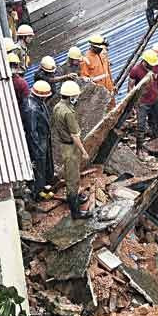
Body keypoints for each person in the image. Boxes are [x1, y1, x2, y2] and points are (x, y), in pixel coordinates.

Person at [51, 80, 92, 219]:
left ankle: (75, 200)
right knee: (72, 180)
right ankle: (76, 212)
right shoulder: (68, 112)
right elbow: (74, 135)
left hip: (64, 144)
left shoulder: (58, 106)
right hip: (70, 147)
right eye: (75, 96)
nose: (77, 98)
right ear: (70, 97)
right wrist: (84, 151)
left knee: (72, 176)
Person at [128, 49, 158, 156]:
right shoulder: (135, 70)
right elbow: (130, 86)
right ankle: (139, 149)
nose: (152, 66)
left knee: (154, 123)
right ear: (145, 61)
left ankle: (153, 146)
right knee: (141, 126)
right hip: (142, 102)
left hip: (154, 99)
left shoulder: (155, 66)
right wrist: (133, 103)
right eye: (150, 64)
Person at [21, 81, 54, 200]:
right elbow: (31, 131)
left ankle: (44, 189)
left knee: (45, 167)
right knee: (39, 169)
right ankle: (38, 195)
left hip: (43, 139)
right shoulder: (32, 109)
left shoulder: (38, 103)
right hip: (38, 142)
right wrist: (37, 149)